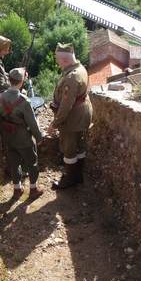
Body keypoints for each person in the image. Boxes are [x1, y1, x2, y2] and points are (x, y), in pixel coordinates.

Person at [47, 43, 93, 190]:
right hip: (82, 114)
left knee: (69, 148)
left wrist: (55, 123)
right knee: (79, 145)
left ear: (64, 60)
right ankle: (78, 175)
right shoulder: (80, 68)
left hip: (73, 118)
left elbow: (66, 106)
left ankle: (70, 179)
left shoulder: (71, 77)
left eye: (57, 59)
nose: (57, 62)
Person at [0, 67, 44, 200]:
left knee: (13, 162)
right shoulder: (24, 101)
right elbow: (32, 123)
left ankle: (17, 189)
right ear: (21, 82)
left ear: (9, 80)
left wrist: (1, 132)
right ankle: (33, 189)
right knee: (32, 162)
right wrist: (39, 137)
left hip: (8, 136)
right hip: (23, 137)